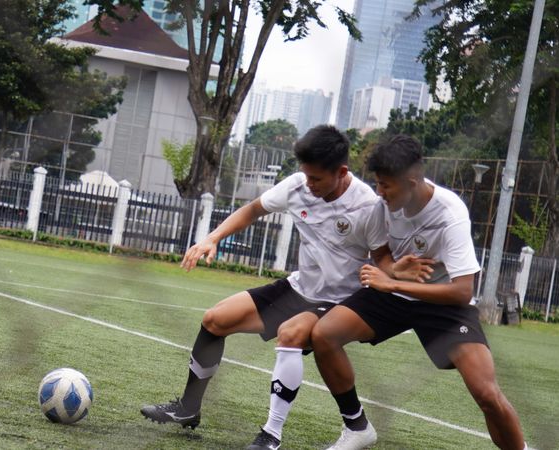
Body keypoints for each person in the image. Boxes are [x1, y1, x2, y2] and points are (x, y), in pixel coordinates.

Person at [139, 126, 428, 449]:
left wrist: (395, 270)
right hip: (297, 288)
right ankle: (188, 408)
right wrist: (212, 238)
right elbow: (252, 210)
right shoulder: (297, 186)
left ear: (341, 172)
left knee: (290, 334)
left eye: (316, 179)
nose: (309, 184)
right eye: (305, 175)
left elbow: (381, 257)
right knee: (214, 320)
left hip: (339, 301)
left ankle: (270, 436)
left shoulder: (367, 206)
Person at [310, 135, 526, 450]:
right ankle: (357, 428)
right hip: (393, 295)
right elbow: (381, 255)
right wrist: (394, 270)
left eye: (386, 186)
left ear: (412, 182)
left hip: (442, 304)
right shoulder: (383, 205)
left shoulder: (449, 213)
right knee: (324, 335)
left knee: (486, 394)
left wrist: (392, 282)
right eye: (377, 184)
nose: (379, 193)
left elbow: (462, 291)